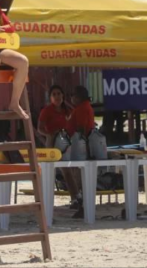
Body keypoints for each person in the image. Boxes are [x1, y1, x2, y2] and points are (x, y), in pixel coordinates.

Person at [64, 85, 96, 218]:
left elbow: (81, 128)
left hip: (80, 148)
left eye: (73, 95)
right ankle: (83, 206)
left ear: (79, 96)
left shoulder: (82, 108)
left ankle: (83, 207)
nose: (71, 97)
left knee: (80, 178)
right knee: (82, 178)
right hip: (82, 146)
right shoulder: (84, 107)